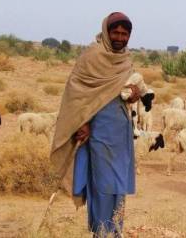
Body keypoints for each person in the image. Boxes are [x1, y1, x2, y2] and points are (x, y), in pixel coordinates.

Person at [50, 12, 138, 237]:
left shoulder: (126, 59)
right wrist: (84, 122)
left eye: (124, 33)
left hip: (121, 132)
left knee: (118, 186)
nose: (120, 37)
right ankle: (101, 232)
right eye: (115, 32)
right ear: (107, 32)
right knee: (103, 185)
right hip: (98, 131)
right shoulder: (93, 55)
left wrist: (134, 95)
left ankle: (115, 231)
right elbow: (78, 94)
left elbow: (122, 93)